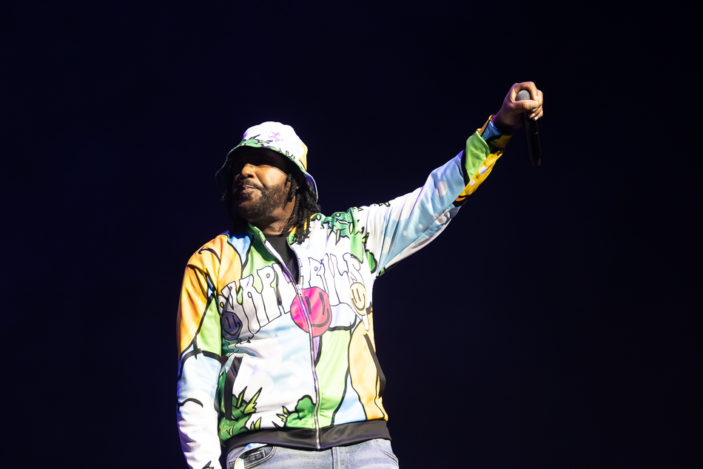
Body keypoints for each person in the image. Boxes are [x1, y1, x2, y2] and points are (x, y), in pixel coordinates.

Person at [176, 82, 544, 469]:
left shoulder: (352, 235)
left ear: (295, 181)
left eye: (261, 161)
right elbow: (196, 372)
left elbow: (434, 198)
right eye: (239, 165)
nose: (245, 171)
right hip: (267, 451)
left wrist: (499, 127)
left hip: (364, 447)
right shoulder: (211, 262)